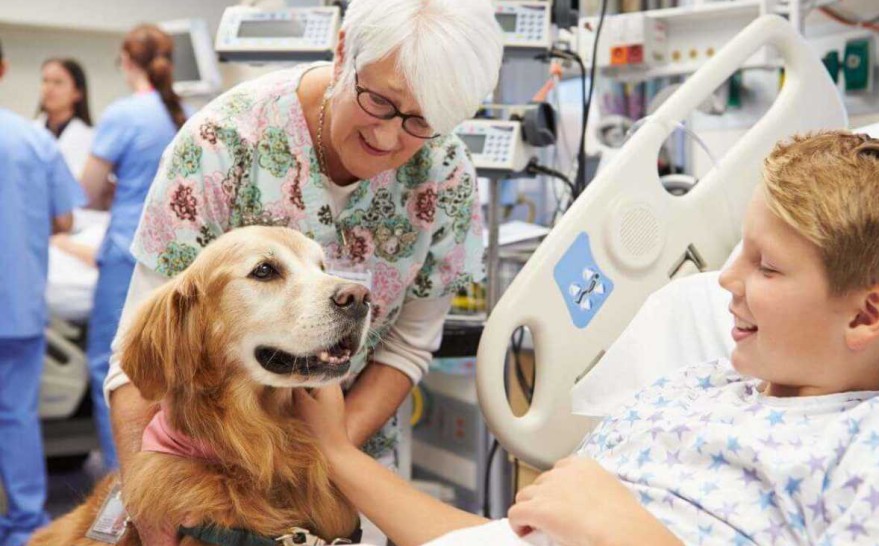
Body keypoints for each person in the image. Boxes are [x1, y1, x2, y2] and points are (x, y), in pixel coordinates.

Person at [297, 131, 879, 545]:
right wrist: (332, 452)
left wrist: (623, 532)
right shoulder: (691, 391)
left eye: (766, 266)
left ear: (866, 316)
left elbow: (595, 525)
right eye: (740, 249)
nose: (727, 278)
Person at [103, 0, 503, 543]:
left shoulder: (446, 176)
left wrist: (325, 454)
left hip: (349, 472)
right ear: (342, 53)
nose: (389, 139)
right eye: (379, 101)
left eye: (421, 122)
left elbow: (407, 346)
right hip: (203, 470)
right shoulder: (222, 144)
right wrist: (151, 518)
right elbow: (141, 355)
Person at [79, 24, 189, 472]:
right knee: (171, 379)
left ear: (127, 60)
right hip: (183, 262)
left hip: (129, 256)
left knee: (119, 373)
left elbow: (86, 190)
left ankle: (122, 491)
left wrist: (112, 191)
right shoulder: (187, 112)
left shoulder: (124, 113)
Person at [0, 37, 86, 546]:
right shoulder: (32, 140)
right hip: (18, 306)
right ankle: (26, 523)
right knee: (15, 416)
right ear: (5, 69)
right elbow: (65, 217)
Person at [35, 58, 94, 180]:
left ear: (77, 92)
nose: (49, 88)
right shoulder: (29, 132)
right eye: (45, 81)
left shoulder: (91, 138)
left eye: (58, 82)